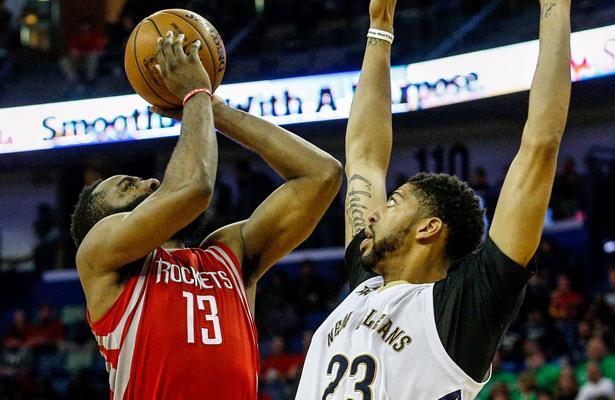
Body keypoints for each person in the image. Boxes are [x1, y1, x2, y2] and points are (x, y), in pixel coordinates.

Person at [296, 0, 571, 397]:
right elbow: (364, 159)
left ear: (429, 227)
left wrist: (555, 8)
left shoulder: (462, 311)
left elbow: (540, 144)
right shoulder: (366, 284)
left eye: (393, 202)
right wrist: (380, 27)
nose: (372, 213)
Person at [71, 32, 342, 399]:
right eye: (128, 186)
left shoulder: (228, 253)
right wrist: (195, 95)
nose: (150, 181)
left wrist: (219, 111)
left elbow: (321, 175)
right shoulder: (101, 256)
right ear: (102, 222)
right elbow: (191, 190)